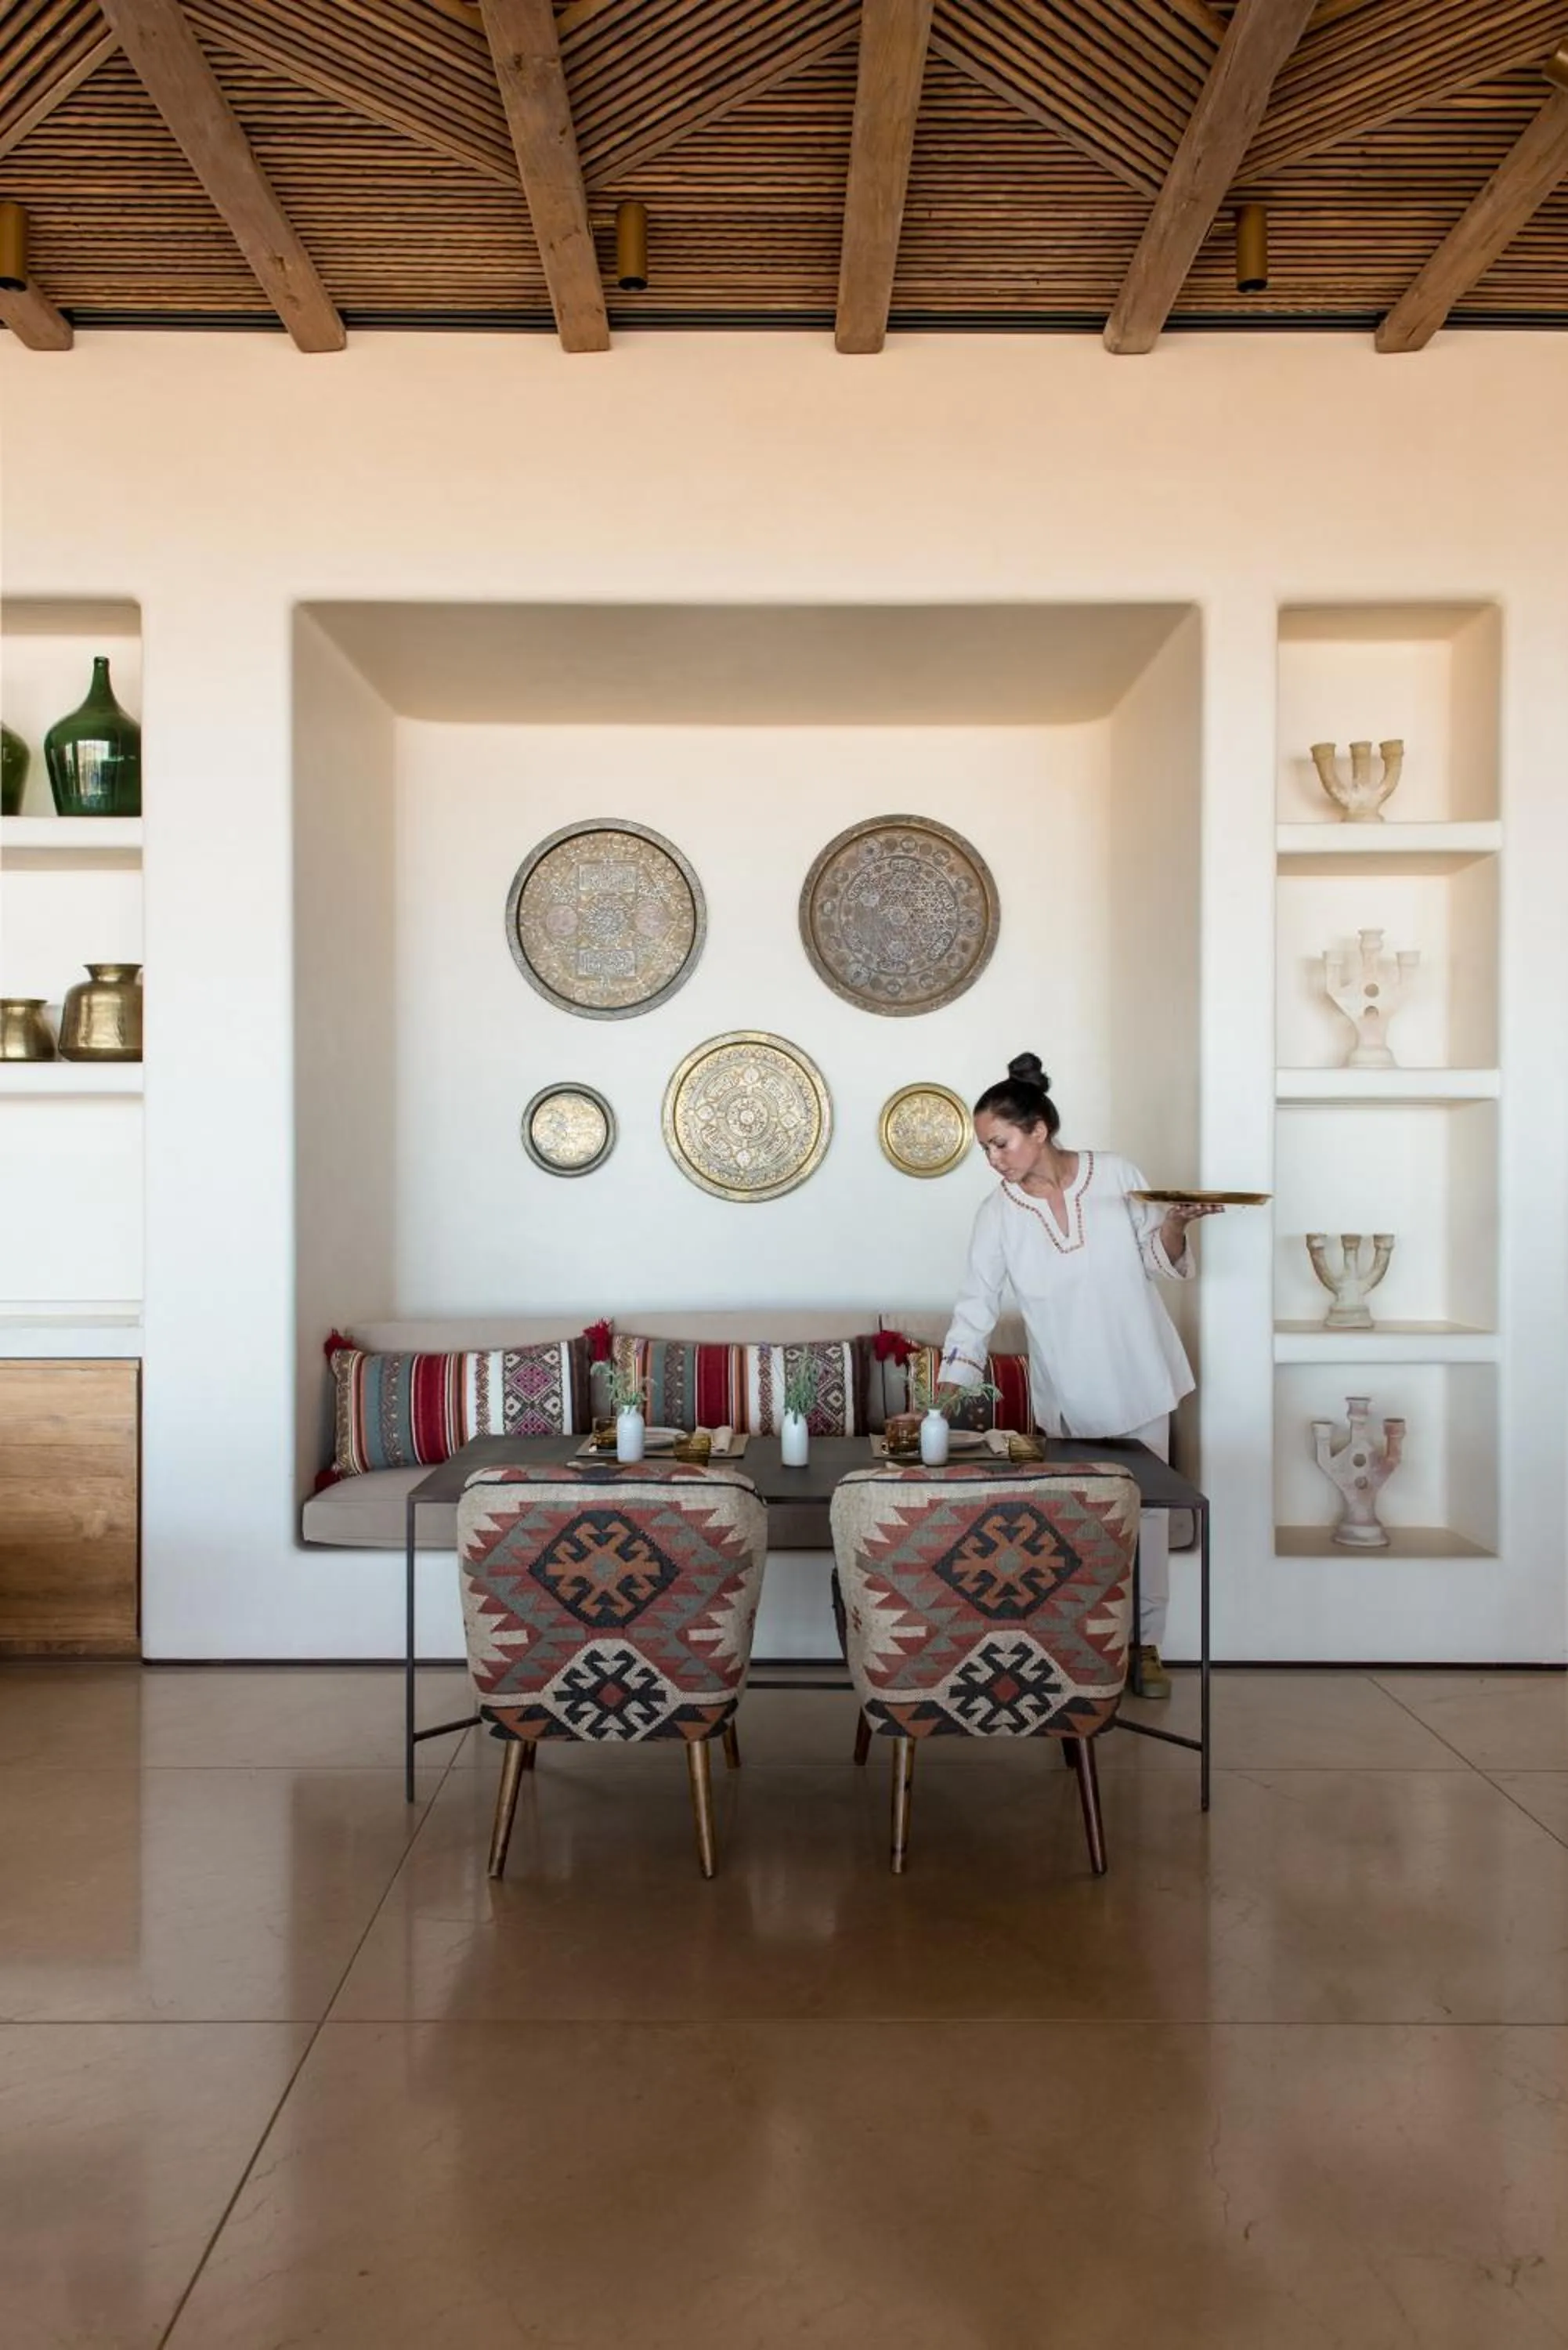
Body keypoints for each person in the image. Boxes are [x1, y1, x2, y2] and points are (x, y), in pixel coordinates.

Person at [938, 1052, 1220, 1699]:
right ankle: (1082, 1643)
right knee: (1083, 1523)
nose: (994, 1159)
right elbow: (974, 1310)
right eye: (986, 1148)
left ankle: (1145, 1646)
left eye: (999, 1143)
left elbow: (1157, 1259)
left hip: (1141, 1376)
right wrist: (943, 1402)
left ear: (1038, 1129)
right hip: (1068, 1394)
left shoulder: (1116, 1174)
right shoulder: (997, 1212)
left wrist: (1175, 1221)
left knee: (1146, 1518)